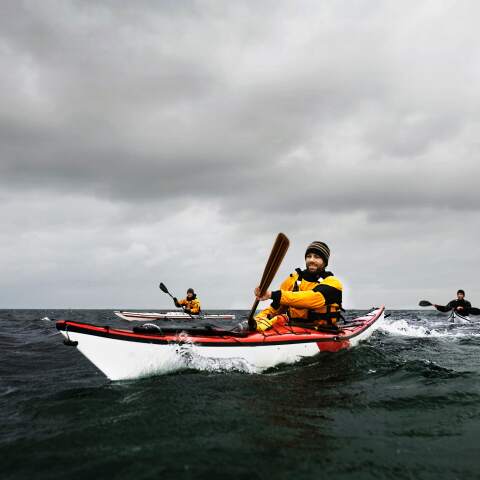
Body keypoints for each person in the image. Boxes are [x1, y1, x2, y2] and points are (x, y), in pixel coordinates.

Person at [253, 241, 343, 332]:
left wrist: (271, 295)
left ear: (324, 262)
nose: (311, 260)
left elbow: (312, 299)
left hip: (323, 329)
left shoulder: (333, 283)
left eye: (317, 257)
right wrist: (257, 320)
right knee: (273, 320)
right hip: (293, 327)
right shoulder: (293, 279)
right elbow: (275, 308)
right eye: (309, 256)